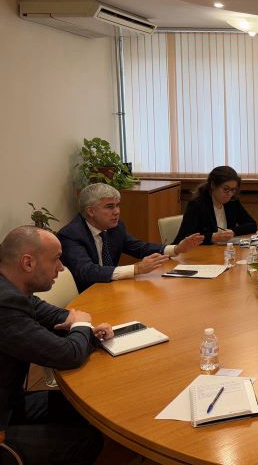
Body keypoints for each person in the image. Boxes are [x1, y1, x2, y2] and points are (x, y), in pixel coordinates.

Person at [0, 226, 114, 464]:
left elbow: (57, 316)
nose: (62, 268)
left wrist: (87, 330)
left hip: (11, 400)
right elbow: (67, 355)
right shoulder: (5, 303)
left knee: (81, 406)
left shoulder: (12, 287)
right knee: (87, 440)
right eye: (56, 259)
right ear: (28, 263)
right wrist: (82, 326)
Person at [58, 183, 203, 292]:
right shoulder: (71, 235)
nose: (117, 212)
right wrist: (136, 269)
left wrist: (176, 249)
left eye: (117, 205)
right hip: (86, 296)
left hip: (111, 289)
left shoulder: (115, 227)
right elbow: (87, 271)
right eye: (110, 207)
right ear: (90, 211)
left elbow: (139, 248)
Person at [173, 166, 257, 245]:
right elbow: (183, 239)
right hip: (202, 252)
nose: (229, 194)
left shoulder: (232, 202)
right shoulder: (197, 205)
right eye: (225, 189)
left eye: (233, 190)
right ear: (213, 185)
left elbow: (252, 225)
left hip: (225, 251)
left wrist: (233, 231)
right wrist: (212, 237)